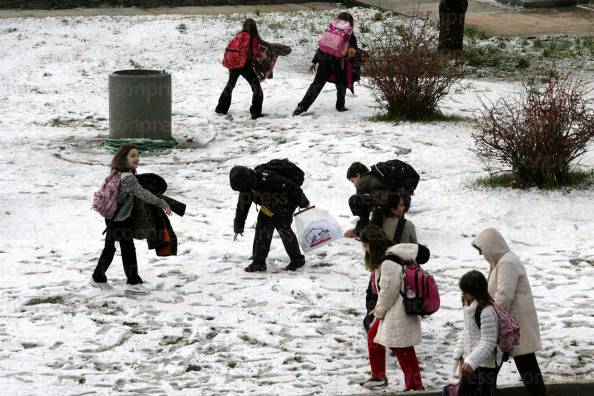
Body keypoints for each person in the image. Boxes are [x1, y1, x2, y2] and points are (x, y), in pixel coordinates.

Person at [472, 228, 548, 396]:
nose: (481, 255)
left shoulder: (507, 263)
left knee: (526, 367)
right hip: (511, 326)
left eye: (481, 250)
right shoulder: (501, 262)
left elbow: (504, 295)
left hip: (514, 327)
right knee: (525, 368)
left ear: (491, 247)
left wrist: (490, 319)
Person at [91, 144, 172, 295]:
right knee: (128, 249)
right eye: (132, 156)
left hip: (111, 218)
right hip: (120, 220)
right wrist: (162, 203)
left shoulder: (116, 173)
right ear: (124, 158)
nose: (136, 158)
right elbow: (143, 194)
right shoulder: (128, 178)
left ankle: (99, 277)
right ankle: (132, 282)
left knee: (111, 248)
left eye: (137, 155)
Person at [359, 226, 424, 391]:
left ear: (373, 245)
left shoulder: (388, 262)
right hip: (394, 310)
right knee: (375, 337)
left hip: (398, 312)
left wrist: (379, 311)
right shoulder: (387, 258)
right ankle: (378, 376)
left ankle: (415, 387)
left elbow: (389, 292)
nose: (364, 249)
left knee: (404, 350)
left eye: (366, 245)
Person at [229, 164, 311, 272]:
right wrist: (238, 227)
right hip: (268, 205)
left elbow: (292, 187)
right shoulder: (246, 188)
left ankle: (297, 259)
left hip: (286, 202)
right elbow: (242, 208)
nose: (242, 191)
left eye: (242, 188)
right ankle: (258, 263)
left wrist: (304, 203)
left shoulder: (268, 177)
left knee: (283, 228)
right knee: (261, 229)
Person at [293, 12, 358, 115]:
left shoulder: (330, 32)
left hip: (324, 61)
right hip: (339, 64)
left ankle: (301, 107)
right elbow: (353, 52)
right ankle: (340, 106)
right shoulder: (350, 36)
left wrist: (314, 62)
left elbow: (322, 47)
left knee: (316, 85)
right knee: (341, 84)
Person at [454, 270, 505, 396]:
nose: (463, 294)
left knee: (485, 392)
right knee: (464, 392)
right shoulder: (469, 307)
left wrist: (472, 360)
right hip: (472, 360)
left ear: (476, 291)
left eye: (466, 291)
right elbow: (467, 332)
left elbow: (489, 342)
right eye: (462, 291)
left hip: (487, 364)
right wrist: (459, 352)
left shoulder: (487, 311)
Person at [344, 161, 417, 238]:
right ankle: (396, 226)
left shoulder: (363, 182)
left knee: (354, 200)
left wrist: (357, 230)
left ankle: (362, 231)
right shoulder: (379, 176)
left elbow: (373, 206)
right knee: (378, 200)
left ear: (358, 175)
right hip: (402, 206)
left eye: (353, 181)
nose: (354, 185)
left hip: (388, 208)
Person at [216, 19, 265, 119]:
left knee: (230, 85)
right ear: (254, 27)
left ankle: (221, 109)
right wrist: (262, 55)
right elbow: (256, 52)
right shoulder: (253, 37)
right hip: (245, 65)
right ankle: (255, 112)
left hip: (234, 64)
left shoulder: (239, 35)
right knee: (256, 88)